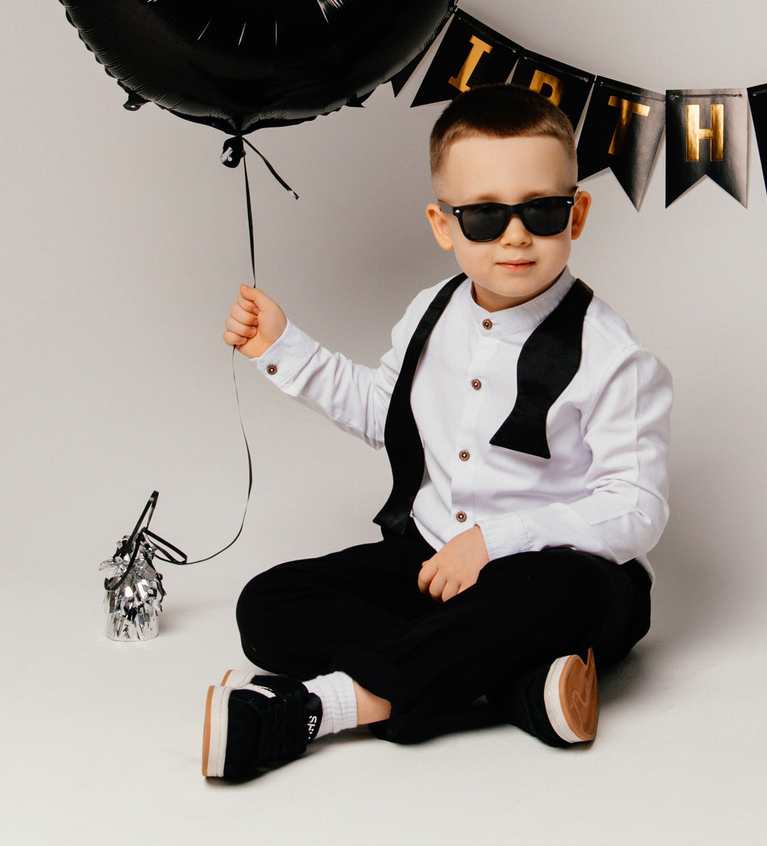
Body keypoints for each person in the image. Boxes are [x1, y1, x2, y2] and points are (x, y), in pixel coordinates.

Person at [203, 82, 672, 783]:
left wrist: (494, 542)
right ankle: (514, 686)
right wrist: (282, 347)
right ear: (443, 224)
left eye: (541, 211)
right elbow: (386, 416)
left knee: (584, 593)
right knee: (268, 606)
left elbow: (637, 509)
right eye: (484, 215)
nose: (515, 236)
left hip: (547, 578)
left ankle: (318, 709)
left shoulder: (613, 358)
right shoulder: (430, 311)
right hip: (432, 561)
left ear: (576, 214)